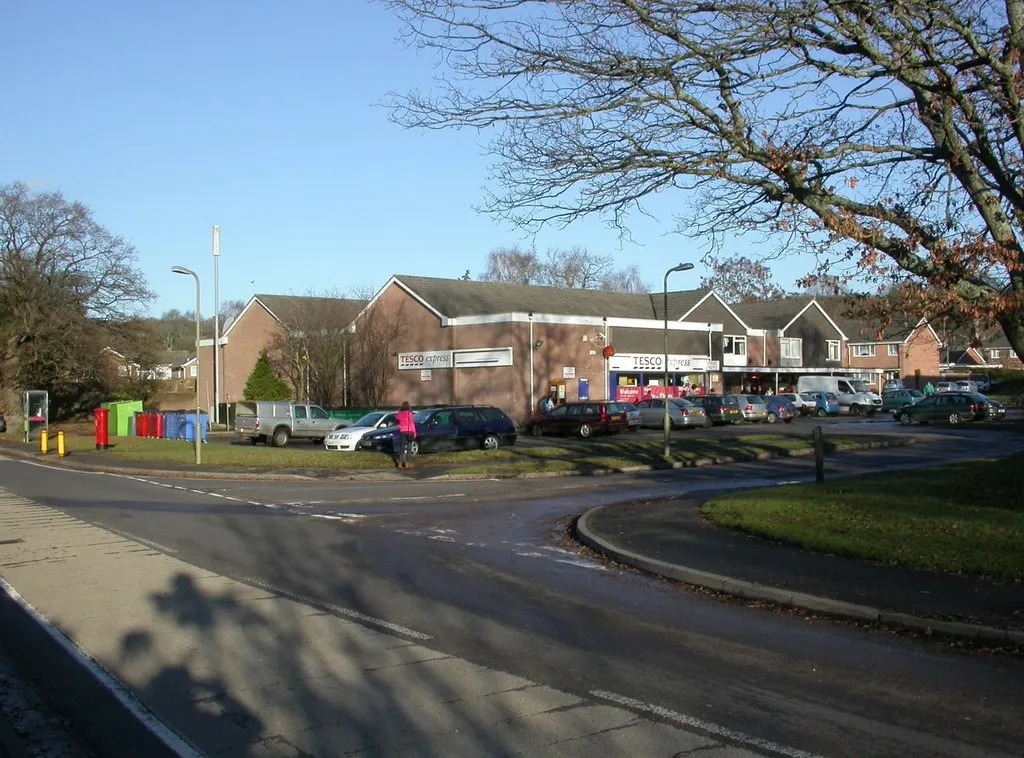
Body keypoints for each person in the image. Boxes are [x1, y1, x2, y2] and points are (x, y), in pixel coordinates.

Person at [395, 401, 417, 470]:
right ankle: (407, 463)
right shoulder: (409, 413)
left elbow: (396, 418)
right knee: (409, 448)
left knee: (402, 448)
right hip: (409, 431)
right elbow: (411, 423)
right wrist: (414, 432)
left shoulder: (400, 414)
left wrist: (399, 410)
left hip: (402, 431)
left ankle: (400, 463)